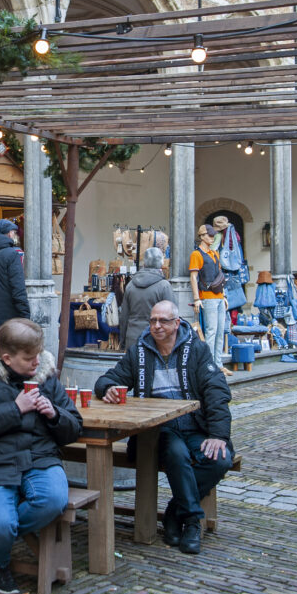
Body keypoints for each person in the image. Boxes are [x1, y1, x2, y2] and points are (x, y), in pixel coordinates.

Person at [94, 300, 233, 555]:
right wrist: (108, 388)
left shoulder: (197, 350)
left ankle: (173, 512)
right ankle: (192, 522)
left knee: (221, 458)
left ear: (176, 323)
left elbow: (216, 391)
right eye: (153, 320)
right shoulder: (139, 352)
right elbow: (108, 378)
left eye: (163, 321)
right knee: (176, 454)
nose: (156, 326)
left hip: (195, 427)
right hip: (159, 432)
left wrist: (218, 435)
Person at [0, 318, 82, 594]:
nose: (37, 362)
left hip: (39, 458)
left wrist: (55, 414)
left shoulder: (45, 375)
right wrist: (15, 408)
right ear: (7, 358)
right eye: (28, 358)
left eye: (38, 354)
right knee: (0, 524)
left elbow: (75, 426)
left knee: (52, 500)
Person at [189, 223, 230, 375]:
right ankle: (210, 365)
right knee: (211, 331)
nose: (212, 238)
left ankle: (218, 364)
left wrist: (223, 296)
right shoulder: (197, 254)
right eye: (209, 235)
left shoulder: (214, 253)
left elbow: (220, 277)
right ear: (202, 236)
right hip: (207, 297)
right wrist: (196, 298)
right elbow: (193, 277)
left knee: (220, 331)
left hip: (218, 297)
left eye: (213, 235)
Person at [119, 246, 175, 351]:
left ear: (144, 263)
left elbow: (124, 317)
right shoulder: (164, 286)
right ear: (161, 264)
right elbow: (171, 317)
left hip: (133, 339)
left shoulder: (130, 285)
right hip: (156, 340)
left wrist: (122, 341)